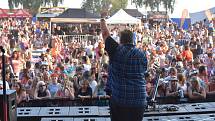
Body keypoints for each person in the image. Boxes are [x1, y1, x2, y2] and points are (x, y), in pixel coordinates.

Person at [101, 19, 148, 121]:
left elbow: (105, 33)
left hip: (121, 100)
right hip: (139, 100)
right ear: (133, 40)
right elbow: (144, 71)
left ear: (120, 40)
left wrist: (102, 19)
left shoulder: (115, 50)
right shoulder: (142, 54)